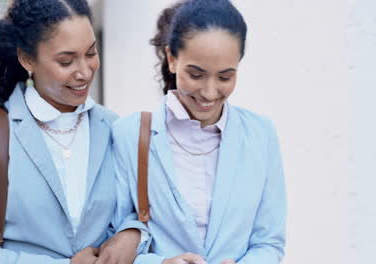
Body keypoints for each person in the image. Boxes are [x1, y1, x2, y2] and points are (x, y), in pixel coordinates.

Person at [0, 0, 141, 263]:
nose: (84, 72)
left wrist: (133, 232)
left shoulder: (117, 128)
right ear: (27, 58)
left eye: (91, 53)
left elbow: (136, 213)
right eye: (66, 60)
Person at [112, 0, 287, 263]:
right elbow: (114, 235)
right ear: (172, 59)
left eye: (225, 77)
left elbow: (269, 242)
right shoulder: (129, 134)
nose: (209, 92)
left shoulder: (261, 135)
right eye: (196, 75)